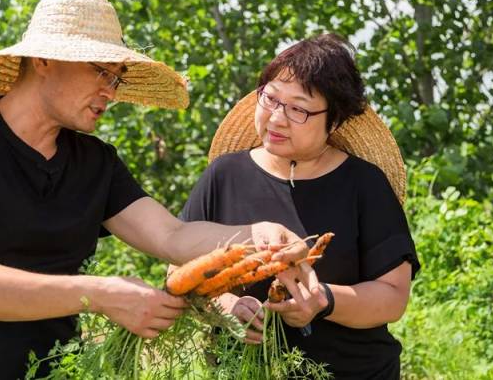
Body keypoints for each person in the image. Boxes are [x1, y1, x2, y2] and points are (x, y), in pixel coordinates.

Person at [0, 0, 308, 379]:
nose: (110, 92)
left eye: (116, 78)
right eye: (101, 73)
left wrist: (256, 235)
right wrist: (101, 294)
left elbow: (172, 235)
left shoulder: (94, 162)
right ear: (43, 61)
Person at [179, 33, 420, 379]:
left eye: (298, 110)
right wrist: (226, 306)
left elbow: (393, 297)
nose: (277, 118)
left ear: (334, 121)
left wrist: (323, 300)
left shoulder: (364, 185)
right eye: (271, 99)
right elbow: (180, 270)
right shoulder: (225, 175)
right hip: (241, 370)